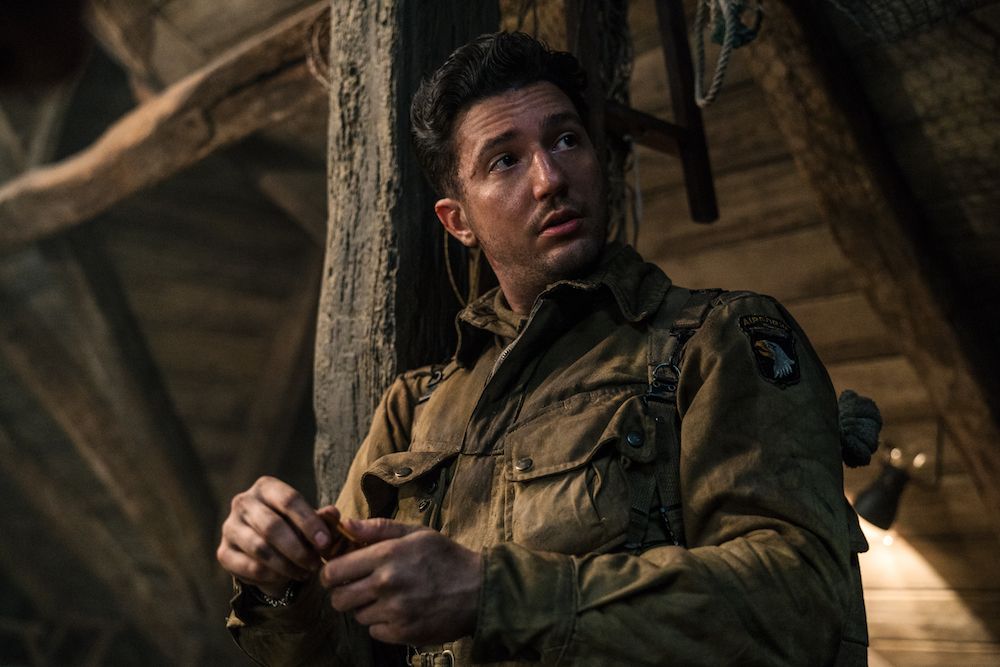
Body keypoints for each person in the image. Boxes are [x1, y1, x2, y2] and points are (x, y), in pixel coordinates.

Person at [217, 32, 867, 666]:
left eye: (565, 139)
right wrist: (278, 582)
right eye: (505, 160)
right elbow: (339, 645)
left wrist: (494, 595)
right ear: (459, 220)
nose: (550, 177)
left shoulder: (716, 340)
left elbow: (803, 604)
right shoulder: (415, 406)